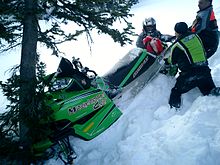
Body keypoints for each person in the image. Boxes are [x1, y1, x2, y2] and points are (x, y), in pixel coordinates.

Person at [168, 22, 219, 109]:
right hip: (205, 72)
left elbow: (172, 61)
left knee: (176, 91)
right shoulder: (196, 37)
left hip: (189, 75)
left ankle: (174, 109)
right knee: (209, 91)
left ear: (177, 33)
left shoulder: (177, 45)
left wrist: (167, 60)